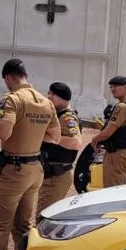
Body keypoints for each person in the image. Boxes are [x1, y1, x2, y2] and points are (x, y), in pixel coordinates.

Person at [0, 59, 60, 250]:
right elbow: (55, 137)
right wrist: (32, 134)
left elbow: (4, 133)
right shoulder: (46, 102)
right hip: (35, 169)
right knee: (23, 228)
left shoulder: (12, 99)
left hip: (13, 171)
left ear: (8, 78)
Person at [37, 82, 83, 216]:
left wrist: (51, 138)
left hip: (56, 176)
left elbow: (75, 142)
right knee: (45, 214)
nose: (49, 96)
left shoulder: (66, 117)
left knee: (44, 216)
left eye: (52, 94)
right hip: (50, 174)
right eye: (49, 93)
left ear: (61, 98)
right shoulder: (57, 114)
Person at [90, 76, 126, 188]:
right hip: (124, 152)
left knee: (112, 187)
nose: (113, 89)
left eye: (116, 86)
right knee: (118, 184)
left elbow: (108, 132)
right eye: (111, 87)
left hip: (117, 153)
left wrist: (94, 140)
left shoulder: (122, 107)